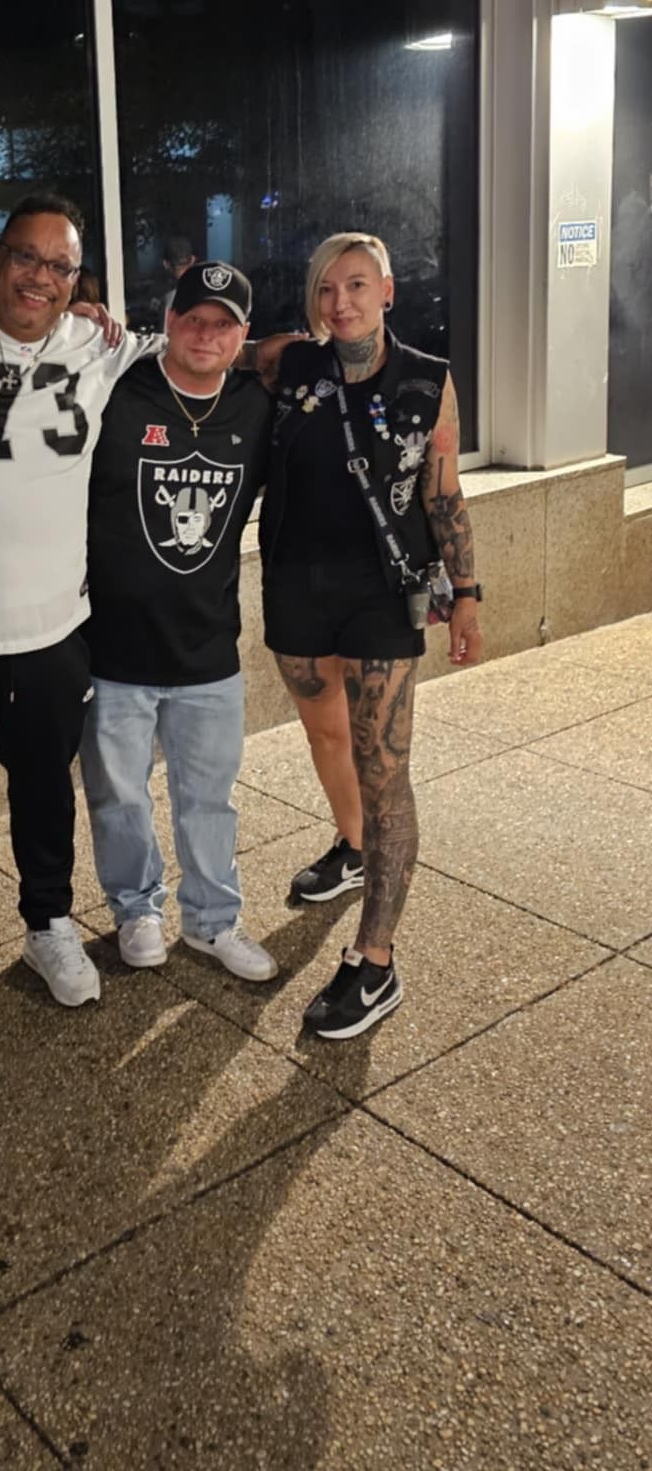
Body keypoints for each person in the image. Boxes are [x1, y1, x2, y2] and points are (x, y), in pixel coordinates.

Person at [0, 195, 166, 1057]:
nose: (39, 279)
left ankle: (47, 924)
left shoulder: (95, 343)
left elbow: (199, 348)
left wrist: (295, 352)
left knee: (45, 789)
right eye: (25, 257)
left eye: (60, 267)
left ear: (76, 280)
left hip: (54, 626)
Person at [258, 232, 483, 1039]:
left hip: (380, 595)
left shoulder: (425, 378)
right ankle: (352, 847)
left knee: (382, 767)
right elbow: (207, 350)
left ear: (386, 291)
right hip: (293, 585)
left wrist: (465, 593)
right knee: (325, 734)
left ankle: (375, 961)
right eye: (326, 288)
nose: (340, 302)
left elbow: (442, 494)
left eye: (356, 285)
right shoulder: (291, 366)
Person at [80, 261, 278, 982]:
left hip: (207, 648)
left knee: (209, 800)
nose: (205, 334)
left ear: (241, 336)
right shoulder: (117, 389)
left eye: (223, 324)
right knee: (118, 797)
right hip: (113, 645)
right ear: (167, 321)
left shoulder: (257, 407)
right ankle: (136, 909)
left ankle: (212, 920)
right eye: (193, 318)